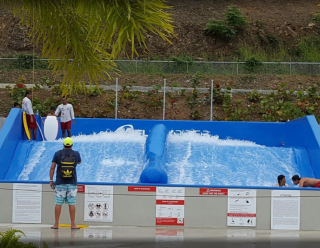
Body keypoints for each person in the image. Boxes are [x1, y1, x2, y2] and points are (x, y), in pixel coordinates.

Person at [49, 137, 81, 229]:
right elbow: (79, 162)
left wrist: (51, 180)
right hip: (72, 183)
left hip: (60, 183)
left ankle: (56, 224)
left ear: (63, 145)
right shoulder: (76, 154)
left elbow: (52, 167)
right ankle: (73, 224)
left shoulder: (57, 154)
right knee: (72, 204)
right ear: (71, 145)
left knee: (58, 203)